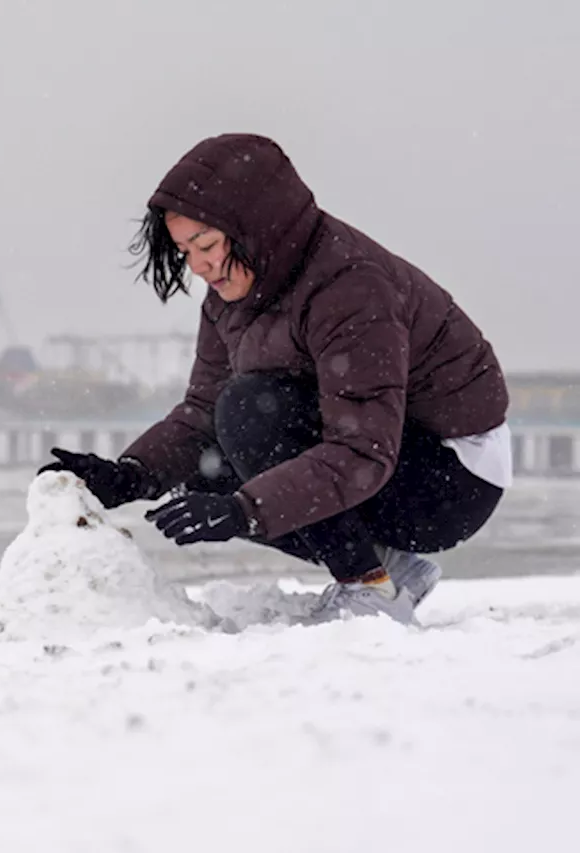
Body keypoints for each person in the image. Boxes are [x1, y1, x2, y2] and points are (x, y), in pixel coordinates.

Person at [40, 133, 510, 624]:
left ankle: (368, 589)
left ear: (255, 228)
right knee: (200, 466)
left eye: (206, 244)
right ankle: (392, 570)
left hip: (450, 480)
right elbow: (202, 415)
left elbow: (363, 449)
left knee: (249, 412)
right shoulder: (229, 298)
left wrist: (244, 511)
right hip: (379, 455)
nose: (198, 266)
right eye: (185, 251)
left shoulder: (350, 285)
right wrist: (131, 474)